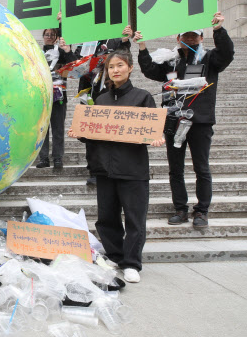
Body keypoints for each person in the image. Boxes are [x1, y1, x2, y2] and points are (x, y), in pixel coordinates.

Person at [69, 51, 165, 283]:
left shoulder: (142, 98)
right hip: (105, 168)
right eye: (111, 67)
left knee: (134, 218)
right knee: (107, 217)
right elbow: (94, 134)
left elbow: (151, 129)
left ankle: (131, 263)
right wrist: (79, 133)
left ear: (130, 68)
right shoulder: (100, 100)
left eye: (120, 65)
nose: (115, 70)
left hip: (132, 169)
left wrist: (156, 136)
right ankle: (115, 255)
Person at [136, 12, 234, 229]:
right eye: (186, 36)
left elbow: (227, 54)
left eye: (194, 36)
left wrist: (218, 29)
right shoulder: (170, 60)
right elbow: (150, 70)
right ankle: (180, 208)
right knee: (175, 168)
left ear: (201, 38)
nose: (190, 40)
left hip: (200, 122)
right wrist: (142, 47)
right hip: (174, 121)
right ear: (178, 38)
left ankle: (202, 211)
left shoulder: (209, 59)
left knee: (202, 167)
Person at [76, 26, 133, 186]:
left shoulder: (115, 40)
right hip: (88, 92)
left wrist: (125, 41)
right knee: (90, 134)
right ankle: (94, 170)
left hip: (110, 93)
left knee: (110, 133)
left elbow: (124, 58)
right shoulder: (86, 41)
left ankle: (112, 167)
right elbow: (75, 61)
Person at [36, 27, 79, 169]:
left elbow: (74, 64)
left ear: (56, 37)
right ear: (43, 36)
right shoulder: (37, 52)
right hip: (41, 96)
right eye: (46, 34)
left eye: (52, 34)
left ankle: (58, 158)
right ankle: (43, 158)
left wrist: (62, 24)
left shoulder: (60, 52)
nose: (49, 36)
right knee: (43, 129)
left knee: (58, 128)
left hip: (59, 95)